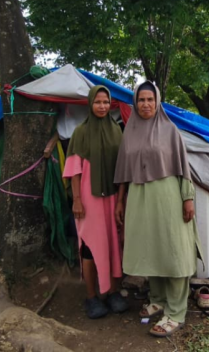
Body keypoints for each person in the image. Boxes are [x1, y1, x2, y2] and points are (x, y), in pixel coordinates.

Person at [114, 81, 201, 338]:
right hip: (139, 197)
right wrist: (120, 200)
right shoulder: (129, 132)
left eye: (150, 99)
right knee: (152, 248)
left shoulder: (170, 130)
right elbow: (123, 171)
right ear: (135, 103)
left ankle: (175, 312)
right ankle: (158, 298)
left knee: (173, 251)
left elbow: (183, 167)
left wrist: (188, 198)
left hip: (168, 197)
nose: (146, 104)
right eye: (141, 100)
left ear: (158, 101)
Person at [63, 86, 129, 319]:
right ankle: (91, 296)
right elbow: (73, 171)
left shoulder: (117, 131)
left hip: (112, 199)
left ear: (110, 104)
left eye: (105, 102)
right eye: (97, 102)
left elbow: (123, 171)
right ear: (90, 104)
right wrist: (77, 200)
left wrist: (121, 201)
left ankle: (112, 291)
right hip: (89, 200)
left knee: (113, 244)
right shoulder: (80, 132)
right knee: (90, 247)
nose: (101, 106)